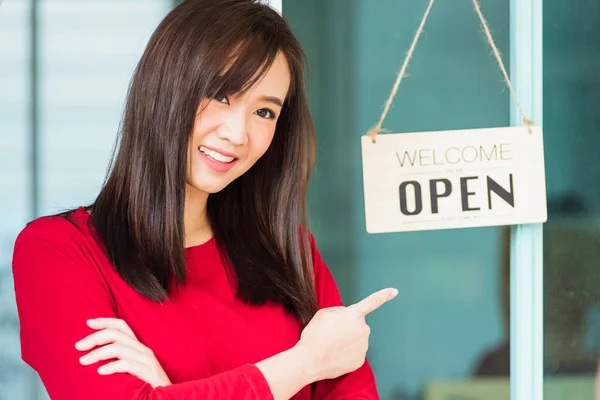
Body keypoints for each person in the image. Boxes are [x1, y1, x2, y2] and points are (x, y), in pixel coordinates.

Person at [11, 0, 398, 399]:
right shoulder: (57, 253)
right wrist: (305, 364)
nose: (238, 133)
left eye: (264, 112)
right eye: (221, 94)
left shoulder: (291, 251)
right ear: (164, 89)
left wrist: (171, 392)